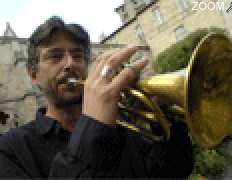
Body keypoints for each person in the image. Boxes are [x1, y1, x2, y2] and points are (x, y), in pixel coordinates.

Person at [0, 16, 193, 178]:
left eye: (78, 56)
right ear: (33, 75)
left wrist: (167, 123)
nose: (70, 64)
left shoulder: (122, 124)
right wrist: (93, 126)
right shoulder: (10, 149)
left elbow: (171, 172)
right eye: (55, 56)